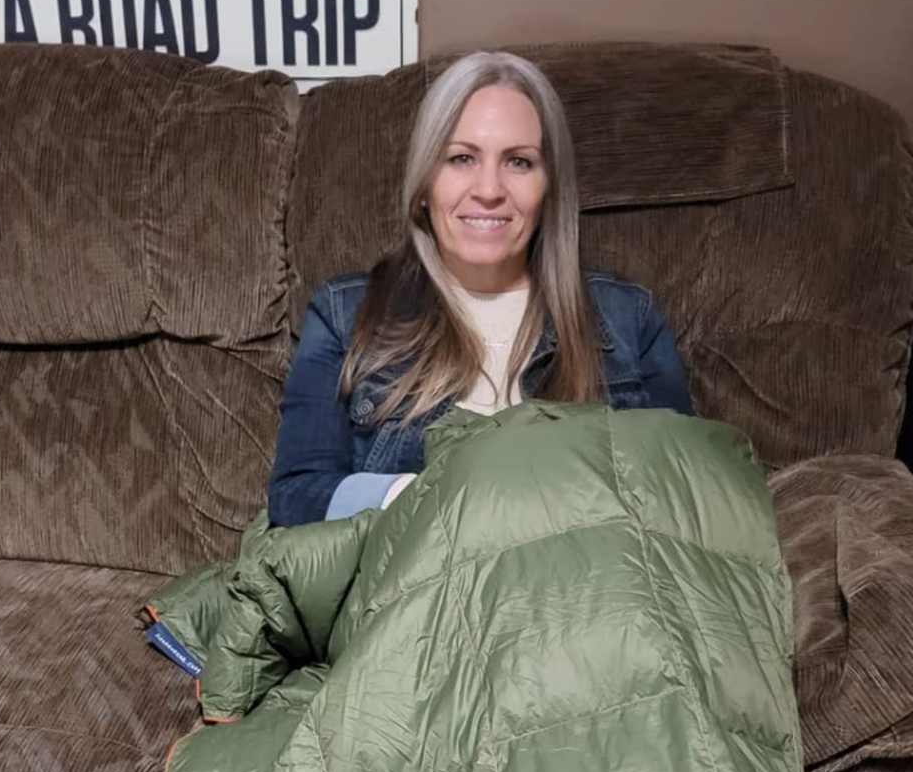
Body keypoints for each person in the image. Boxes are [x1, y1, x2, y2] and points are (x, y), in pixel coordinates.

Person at [268, 51, 692, 529]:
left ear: (550, 187)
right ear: (425, 183)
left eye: (519, 162)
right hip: (416, 576)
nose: (488, 189)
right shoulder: (345, 315)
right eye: (461, 158)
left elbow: (688, 493)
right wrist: (451, 497)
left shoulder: (629, 319)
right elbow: (296, 498)